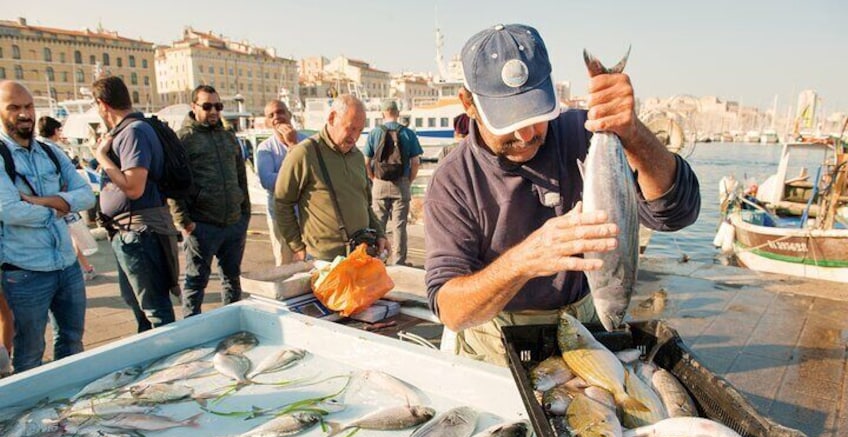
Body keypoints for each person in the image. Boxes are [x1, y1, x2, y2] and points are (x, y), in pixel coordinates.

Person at [424, 24, 701, 366]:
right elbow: (450, 309)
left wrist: (634, 135)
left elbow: (676, 213)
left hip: (585, 329)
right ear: (468, 104)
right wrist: (521, 262)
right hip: (498, 343)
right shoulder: (452, 180)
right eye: (507, 121)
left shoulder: (582, 132)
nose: (526, 134)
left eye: (535, 114)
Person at [0, 80, 96, 372]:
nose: (24, 113)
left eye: (28, 106)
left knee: (72, 342)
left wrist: (41, 201)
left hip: (67, 266)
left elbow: (87, 195)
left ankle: (66, 408)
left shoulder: (51, 152)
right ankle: (27, 414)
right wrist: (60, 207)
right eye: (14, 107)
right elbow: (10, 210)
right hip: (25, 273)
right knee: (29, 352)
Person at [92, 76, 180, 333]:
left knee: (155, 310)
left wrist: (101, 157)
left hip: (140, 233)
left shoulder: (133, 132)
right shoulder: (130, 131)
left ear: (102, 104)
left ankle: (170, 360)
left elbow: (134, 187)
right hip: (131, 232)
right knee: (141, 306)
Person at [275, 94, 388, 261]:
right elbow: (282, 202)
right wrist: (297, 246)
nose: (354, 136)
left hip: (361, 255)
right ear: (332, 118)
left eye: (360, 130)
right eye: (350, 128)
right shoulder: (304, 153)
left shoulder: (357, 157)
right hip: (322, 260)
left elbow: (365, 205)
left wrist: (380, 234)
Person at [172, 85, 250, 317]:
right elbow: (173, 183)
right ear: (194, 107)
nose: (214, 111)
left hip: (233, 224)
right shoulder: (183, 140)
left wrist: (243, 213)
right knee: (196, 284)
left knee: (232, 281)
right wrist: (184, 222)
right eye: (207, 106)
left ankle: (231, 325)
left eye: (218, 106)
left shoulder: (228, 136)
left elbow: (240, 175)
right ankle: (191, 330)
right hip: (202, 225)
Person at [363, 99, 423, 266]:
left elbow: (366, 161)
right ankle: (399, 262)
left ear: (383, 114)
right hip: (401, 183)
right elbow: (416, 162)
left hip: (380, 183)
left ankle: (377, 260)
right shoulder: (408, 133)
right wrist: (408, 180)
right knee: (400, 226)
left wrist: (373, 178)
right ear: (397, 113)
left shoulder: (374, 133)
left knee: (378, 225)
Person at [38, 115, 98, 281]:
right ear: (55, 131)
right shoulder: (53, 150)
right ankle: (83, 269)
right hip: (60, 202)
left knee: (66, 237)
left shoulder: (36, 148)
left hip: (43, 204)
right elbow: (70, 179)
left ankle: (84, 268)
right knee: (70, 237)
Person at [255, 100, 307, 266]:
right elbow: (268, 181)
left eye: (280, 112)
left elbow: (316, 175)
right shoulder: (265, 148)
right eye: (271, 115)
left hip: (308, 215)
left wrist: (293, 144)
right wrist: (298, 175)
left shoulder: (307, 142)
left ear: (289, 115)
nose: (277, 117)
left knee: (312, 264)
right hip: (281, 218)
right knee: (285, 263)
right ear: (267, 122)